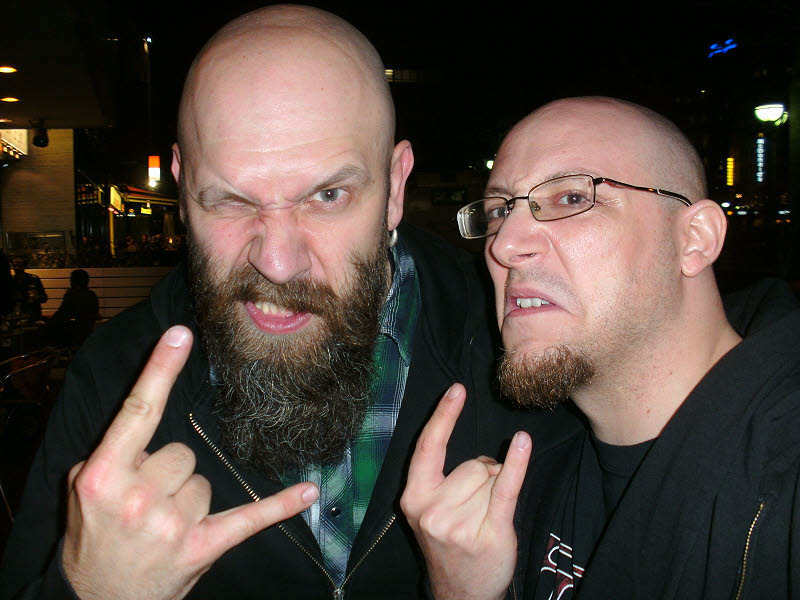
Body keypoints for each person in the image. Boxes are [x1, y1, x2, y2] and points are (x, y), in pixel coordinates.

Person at [0, 5, 522, 600]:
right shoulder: (110, 375)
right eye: (230, 200)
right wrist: (92, 590)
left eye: (328, 195)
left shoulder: (519, 355)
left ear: (396, 186)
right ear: (182, 186)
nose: (276, 262)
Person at [401, 97, 800, 599]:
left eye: (571, 198)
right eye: (500, 210)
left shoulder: (783, 487)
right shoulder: (528, 484)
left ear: (694, 239)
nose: (504, 244)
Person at [45, 269, 99, 348]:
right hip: (87, 330)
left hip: (72, 332)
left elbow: (62, 314)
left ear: (74, 282)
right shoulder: (92, 295)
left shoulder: (72, 295)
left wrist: (48, 323)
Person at [11, 256, 47, 324]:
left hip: (32, 314)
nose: (17, 268)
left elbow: (44, 298)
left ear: (25, 266)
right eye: (15, 266)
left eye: (20, 266)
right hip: (16, 315)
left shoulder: (33, 279)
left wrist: (37, 297)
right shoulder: (10, 281)